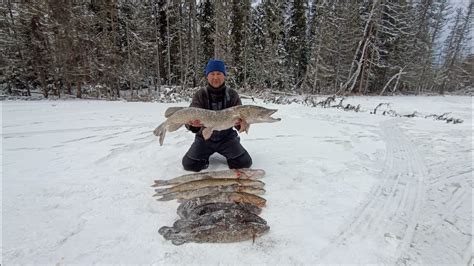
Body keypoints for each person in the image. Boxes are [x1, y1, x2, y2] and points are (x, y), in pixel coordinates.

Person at [182, 59, 252, 172]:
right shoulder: (200, 95)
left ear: (224, 75)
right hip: (204, 139)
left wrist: (241, 124)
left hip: (227, 138)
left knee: (244, 163)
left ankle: (230, 155)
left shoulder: (232, 95)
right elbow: (189, 122)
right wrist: (193, 125)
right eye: (212, 74)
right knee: (190, 164)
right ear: (207, 76)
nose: (215, 77)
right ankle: (204, 159)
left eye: (219, 73)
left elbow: (240, 126)